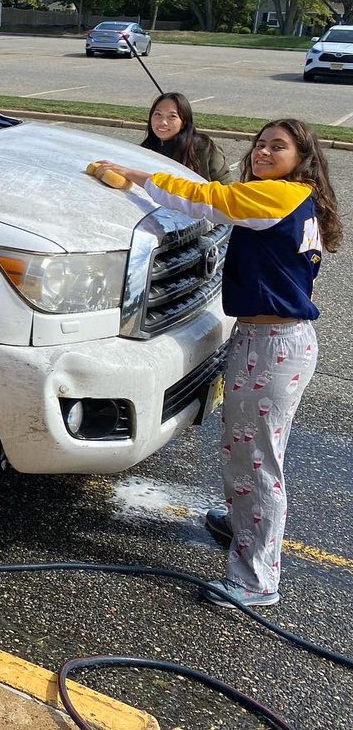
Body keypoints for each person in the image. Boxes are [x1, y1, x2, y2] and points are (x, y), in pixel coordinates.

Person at [93, 118, 342, 609]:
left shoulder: (276, 197)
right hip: (275, 341)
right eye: (260, 144)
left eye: (278, 147)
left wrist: (139, 177)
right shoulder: (293, 196)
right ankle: (245, 524)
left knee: (255, 460)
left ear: (301, 158)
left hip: (272, 345)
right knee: (252, 451)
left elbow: (210, 200)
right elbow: (222, 194)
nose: (263, 153)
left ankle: (255, 580)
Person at [140, 92, 228, 182]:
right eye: (158, 114)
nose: (163, 122)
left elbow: (227, 189)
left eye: (172, 116)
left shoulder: (204, 148)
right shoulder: (144, 150)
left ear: (184, 123)